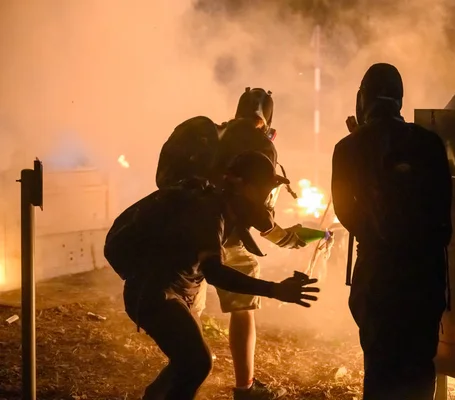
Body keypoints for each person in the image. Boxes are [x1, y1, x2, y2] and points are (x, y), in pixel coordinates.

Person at [105, 150, 320, 400]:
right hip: (156, 294)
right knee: (197, 363)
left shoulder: (225, 205)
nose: (265, 197)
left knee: (186, 362)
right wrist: (275, 290)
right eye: (262, 189)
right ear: (242, 185)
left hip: (174, 292)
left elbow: (264, 229)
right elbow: (215, 273)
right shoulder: (209, 212)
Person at [155, 87, 306, 400]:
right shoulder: (261, 145)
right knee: (243, 308)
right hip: (227, 236)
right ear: (267, 120)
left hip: (187, 233)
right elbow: (258, 208)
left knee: (187, 312)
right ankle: (245, 386)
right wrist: (284, 237)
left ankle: (182, 379)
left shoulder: (212, 135)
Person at [331, 63, 452, 400]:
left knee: (381, 367)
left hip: (377, 276)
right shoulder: (429, 143)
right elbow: (443, 210)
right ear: (399, 99)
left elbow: (345, 211)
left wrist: (375, 234)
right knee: (418, 367)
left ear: (362, 98)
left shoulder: (347, 148)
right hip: (425, 276)